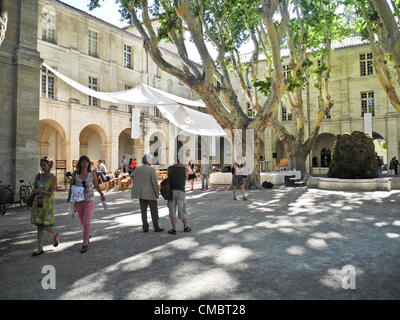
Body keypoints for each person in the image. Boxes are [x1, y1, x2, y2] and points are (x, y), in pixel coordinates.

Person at [70, 155, 106, 253]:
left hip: (89, 200)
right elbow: (71, 186)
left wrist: (102, 194)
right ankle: (87, 234)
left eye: (87, 162)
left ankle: (85, 243)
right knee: (82, 222)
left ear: (89, 163)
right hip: (78, 201)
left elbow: (96, 186)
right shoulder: (75, 174)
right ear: (80, 163)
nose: (85, 163)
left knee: (86, 222)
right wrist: (71, 201)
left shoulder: (92, 174)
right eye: (83, 161)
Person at [31, 156, 59, 257]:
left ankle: (54, 235)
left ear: (49, 165)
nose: (42, 166)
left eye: (44, 164)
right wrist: (35, 190)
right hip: (38, 203)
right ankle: (40, 249)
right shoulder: (38, 176)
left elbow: (51, 192)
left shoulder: (53, 177)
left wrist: (40, 191)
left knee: (46, 225)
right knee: (39, 225)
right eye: (41, 164)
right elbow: (35, 187)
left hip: (48, 204)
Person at [130, 154, 164, 233]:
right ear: (148, 161)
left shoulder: (138, 169)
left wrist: (139, 180)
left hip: (141, 194)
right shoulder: (151, 169)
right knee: (154, 211)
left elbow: (132, 175)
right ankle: (156, 227)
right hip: (150, 193)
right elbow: (154, 182)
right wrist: (157, 192)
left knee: (143, 211)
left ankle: (145, 227)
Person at [167, 159, 191, 235]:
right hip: (181, 191)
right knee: (183, 209)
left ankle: (173, 229)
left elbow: (169, 178)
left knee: (172, 210)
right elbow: (186, 179)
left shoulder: (170, 168)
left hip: (171, 191)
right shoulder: (185, 169)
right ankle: (185, 227)